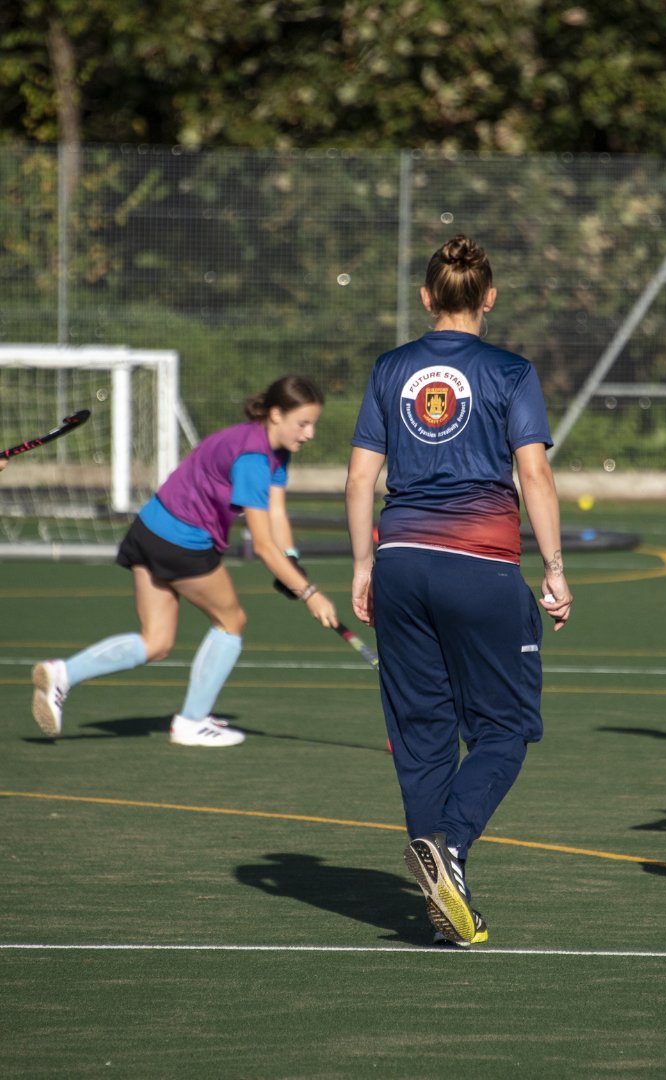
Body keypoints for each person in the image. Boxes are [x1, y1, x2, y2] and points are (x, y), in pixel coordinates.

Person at [346, 235, 572, 946]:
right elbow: (533, 474)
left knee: (421, 739)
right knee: (506, 727)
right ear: (490, 298)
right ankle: (451, 847)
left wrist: (363, 565)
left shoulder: (390, 368)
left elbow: (360, 477)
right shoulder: (510, 371)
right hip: (479, 564)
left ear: (425, 298)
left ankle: (444, 899)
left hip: (401, 562)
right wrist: (555, 567)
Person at [31, 375, 337, 747]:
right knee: (231, 621)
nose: (310, 434)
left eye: (313, 424)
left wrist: (292, 559)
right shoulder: (254, 459)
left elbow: (276, 512)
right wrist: (309, 593)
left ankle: (62, 674)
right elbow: (262, 546)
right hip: (182, 542)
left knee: (156, 642)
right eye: (303, 423)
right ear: (276, 414)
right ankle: (192, 722)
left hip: (148, 529)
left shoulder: (268, 447)